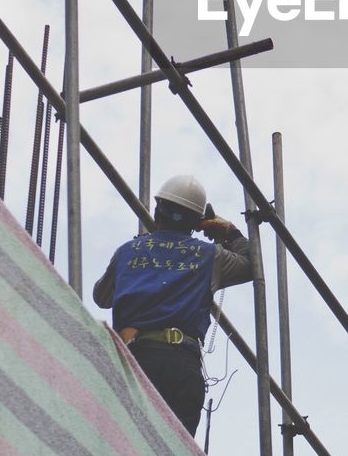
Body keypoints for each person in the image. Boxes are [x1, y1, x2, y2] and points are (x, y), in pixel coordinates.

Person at [93, 174, 252, 436]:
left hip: (134, 358)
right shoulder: (209, 255)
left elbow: (102, 297)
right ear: (196, 221)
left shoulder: (128, 251)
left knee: (127, 446)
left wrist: (142, 258)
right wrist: (228, 231)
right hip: (181, 366)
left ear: (157, 210)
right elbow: (251, 265)